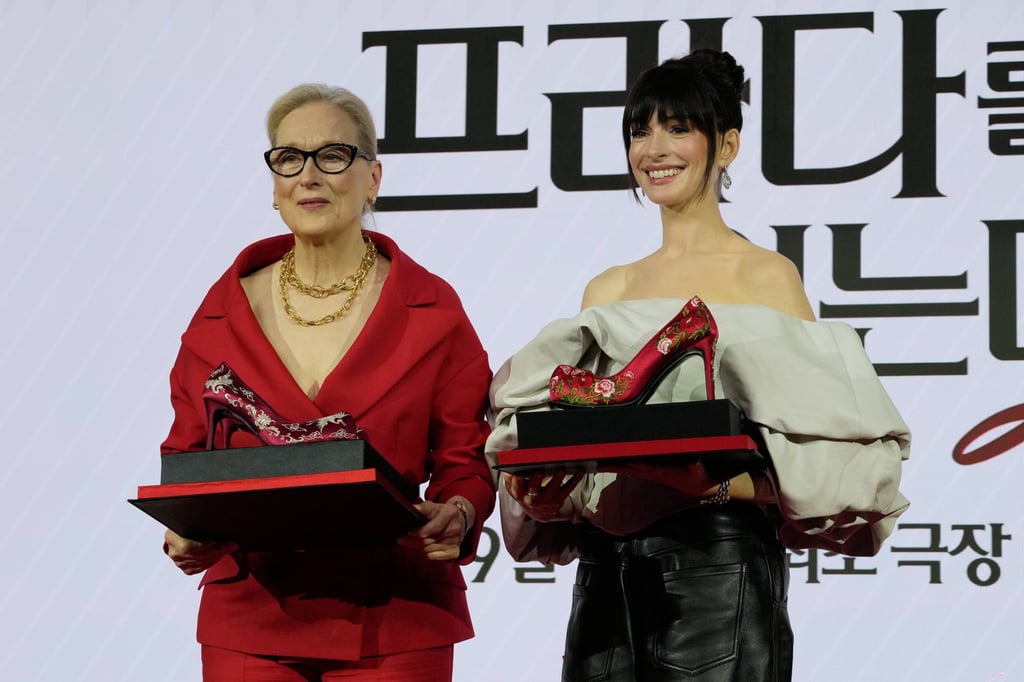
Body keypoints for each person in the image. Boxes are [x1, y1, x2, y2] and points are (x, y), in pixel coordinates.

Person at [486, 49, 911, 681]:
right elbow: (584, 454)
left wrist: (711, 487)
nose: (654, 148)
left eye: (678, 128)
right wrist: (545, 495)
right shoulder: (606, 290)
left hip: (719, 562)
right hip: (606, 573)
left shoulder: (767, 278)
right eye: (640, 130)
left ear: (728, 145)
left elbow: (825, 464)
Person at [160, 83, 495, 681]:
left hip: (393, 614)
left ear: (373, 177)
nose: (308, 176)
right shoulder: (221, 312)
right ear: (274, 183)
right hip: (251, 615)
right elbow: (187, 456)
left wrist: (461, 511)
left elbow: (464, 457)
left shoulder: (433, 310)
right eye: (289, 158)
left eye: (333, 156)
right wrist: (181, 533)